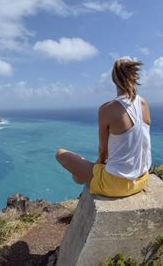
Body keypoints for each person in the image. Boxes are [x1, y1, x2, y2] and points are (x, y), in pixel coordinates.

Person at [55, 58, 152, 197]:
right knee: (85, 172)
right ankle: (85, 177)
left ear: (114, 79)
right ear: (134, 76)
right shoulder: (143, 103)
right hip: (142, 179)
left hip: (116, 185)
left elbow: (103, 152)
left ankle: (84, 179)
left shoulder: (107, 109)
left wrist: (97, 167)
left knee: (61, 154)